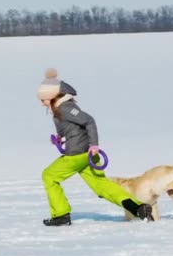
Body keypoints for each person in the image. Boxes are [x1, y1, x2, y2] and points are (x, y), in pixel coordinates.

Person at [37, 68, 154, 226]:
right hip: (86, 156)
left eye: (43, 99)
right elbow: (74, 127)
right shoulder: (62, 107)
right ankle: (138, 208)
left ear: (52, 96)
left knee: (49, 176)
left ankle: (61, 215)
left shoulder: (64, 108)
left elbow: (89, 121)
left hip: (78, 154)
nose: (41, 102)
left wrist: (94, 145)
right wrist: (60, 138)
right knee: (102, 186)